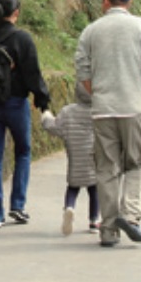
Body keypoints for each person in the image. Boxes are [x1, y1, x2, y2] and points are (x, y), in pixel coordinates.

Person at [75, 0, 141, 247]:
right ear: (128, 3)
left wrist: (98, 95)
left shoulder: (90, 31)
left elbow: (83, 73)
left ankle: (109, 230)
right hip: (137, 107)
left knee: (107, 168)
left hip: (103, 110)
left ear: (105, 2)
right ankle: (131, 216)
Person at [0, 0, 51, 228]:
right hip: (16, 104)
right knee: (23, 152)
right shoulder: (22, 39)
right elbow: (33, 74)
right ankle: (17, 205)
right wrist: (42, 100)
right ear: (16, 13)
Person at [41, 81, 100, 236]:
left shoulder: (68, 112)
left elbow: (53, 127)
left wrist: (46, 116)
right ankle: (94, 220)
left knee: (73, 187)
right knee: (94, 189)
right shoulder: (98, 112)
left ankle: (69, 207)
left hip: (75, 158)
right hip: (93, 158)